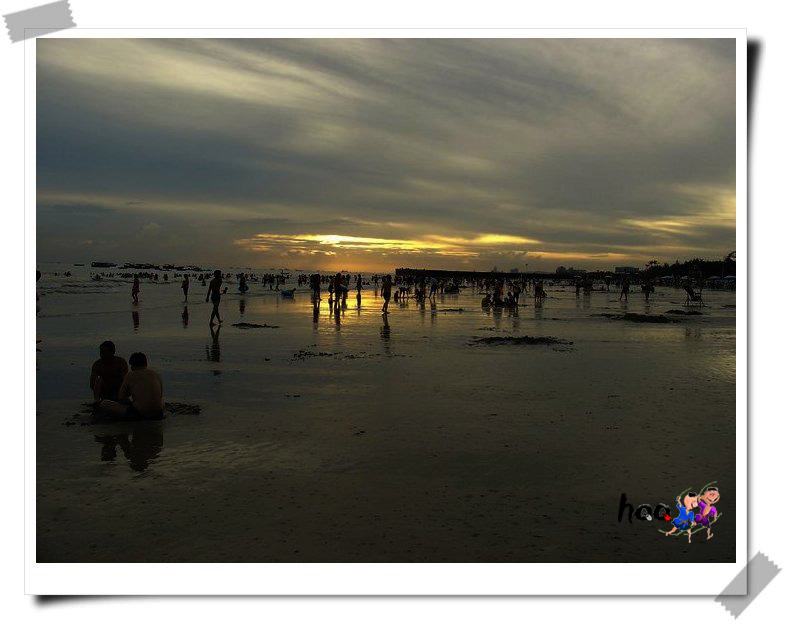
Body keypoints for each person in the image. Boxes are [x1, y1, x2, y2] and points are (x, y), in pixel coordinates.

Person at [99, 352, 164, 420]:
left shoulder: (130, 375)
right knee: (161, 401)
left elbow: (121, 397)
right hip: (158, 414)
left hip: (139, 414)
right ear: (146, 364)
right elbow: (160, 395)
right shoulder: (156, 374)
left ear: (132, 366)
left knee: (104, 403)